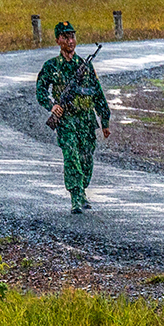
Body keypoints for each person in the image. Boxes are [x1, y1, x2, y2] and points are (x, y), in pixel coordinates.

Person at [35, 22, 110, 212]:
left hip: (86, 119)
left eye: (73, 37)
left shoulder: (84, 66)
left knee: (86, 159)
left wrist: (105, 121)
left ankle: (82, 189)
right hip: (67, 120)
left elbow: (97, 93)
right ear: (58, 40)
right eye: (66, 37)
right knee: (71, 157)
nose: (70, 41)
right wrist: (53, 106)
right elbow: (40, 90)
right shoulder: (52, 66)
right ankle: (76, 196)